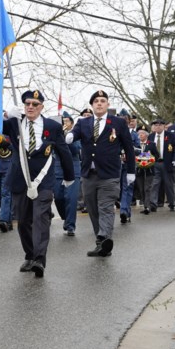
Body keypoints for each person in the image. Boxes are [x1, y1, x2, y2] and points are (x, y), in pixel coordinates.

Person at [3, 90, 75, 277]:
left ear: (41, 106)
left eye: (35, 104)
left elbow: (63, 151)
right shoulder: (15, 123)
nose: (30, 107)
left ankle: (39, 260)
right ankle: (30, 254)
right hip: (20, 179)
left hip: (43, 181)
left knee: (41, 219)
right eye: (27, 103)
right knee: (23, 221)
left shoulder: (52, 126)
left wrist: (69, 176)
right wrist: (5, 114)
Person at [66, 90, 135, 257]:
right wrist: (69, 135)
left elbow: (128, 147)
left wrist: (131, 171)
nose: (99, 103)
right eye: (96, 101)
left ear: (108, 104)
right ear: (92, 105)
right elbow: (75, 133)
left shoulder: (118, 123)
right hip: (89, 173)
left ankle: (104, 237)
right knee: (92, 208)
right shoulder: (83, 122)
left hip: (110, 174)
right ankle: (101, 241)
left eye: (102, 100)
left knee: (105, 207)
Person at [53, 112, 82, 235]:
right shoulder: (55, 134)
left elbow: (76, 150)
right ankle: (66, 217)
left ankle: (70, 225)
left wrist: (66, 138)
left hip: (73, 170)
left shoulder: (76, 135)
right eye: (62, 122)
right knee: (58, 198)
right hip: (58, 170)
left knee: (71, 198)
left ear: (72, 124)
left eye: (66, 121)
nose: (64, 124)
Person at [147, 118, 175, 212]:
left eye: (160, 125)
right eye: (156, 125)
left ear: (164, 126)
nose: (158, 127)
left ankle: (172, 203)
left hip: (167, 163)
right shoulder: (151, 136)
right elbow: (147, 149)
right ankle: (153, 204)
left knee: (169, 184)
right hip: (155, 163)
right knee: (154, 184)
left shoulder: (171, 136)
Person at [118, 110, 139, 224]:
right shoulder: (113, 131)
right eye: (121, 117)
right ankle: (126, 211)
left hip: (128, 164)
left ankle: (124, 212)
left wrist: (128, 152)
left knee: (127, 188)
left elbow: (139, 149)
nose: (123, 119)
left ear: (129, 120)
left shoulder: (134, 134)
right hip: (116, 164)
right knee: (119, 188)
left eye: (125, 118)